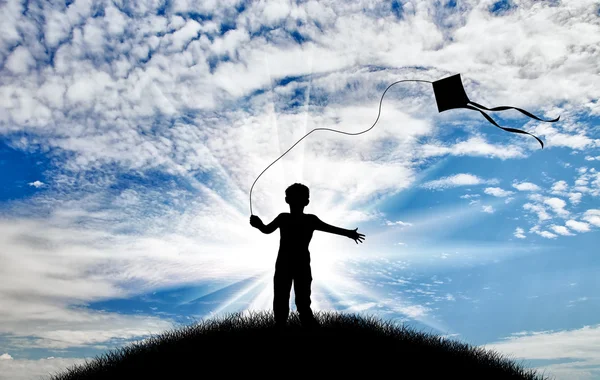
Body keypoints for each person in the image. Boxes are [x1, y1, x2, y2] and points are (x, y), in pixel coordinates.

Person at [249, 183, 365, 329]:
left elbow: (266, 230)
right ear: (306, 201)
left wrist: (259, 225)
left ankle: (290, 330)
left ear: (288, 200)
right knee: (287, 300)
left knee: (295, 301)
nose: (296, 201)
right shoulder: (296, 219)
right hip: (294, 264)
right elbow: (266, 229)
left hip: (294, 264)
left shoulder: (297, 219)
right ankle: (289, 330)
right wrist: (259, 225)